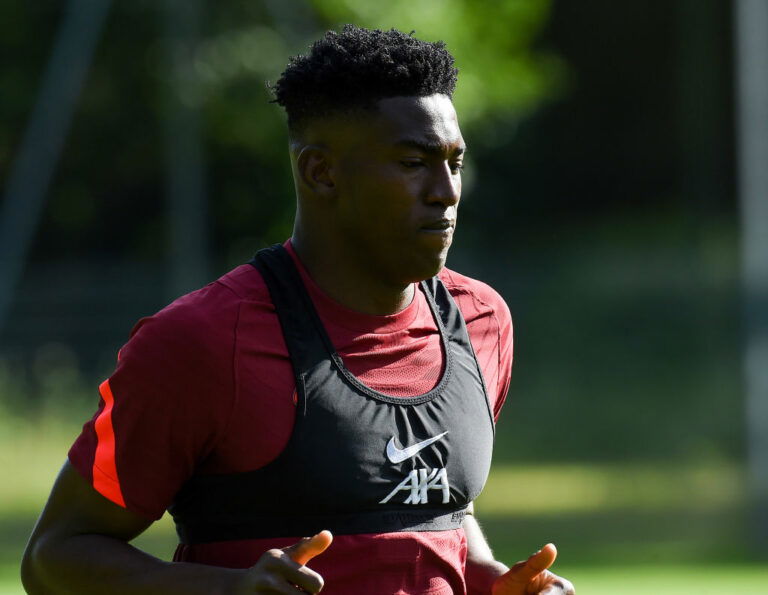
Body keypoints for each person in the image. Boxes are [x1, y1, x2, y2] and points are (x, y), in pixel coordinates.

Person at [21, 25, 575, 595]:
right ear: (320, 172)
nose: (447, 191)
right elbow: (52, 559)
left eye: (455, 163)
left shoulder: (481, 320)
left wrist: (497, 583)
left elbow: (442, 518)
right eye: (413, 163)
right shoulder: (201, 342)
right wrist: (226, 590)